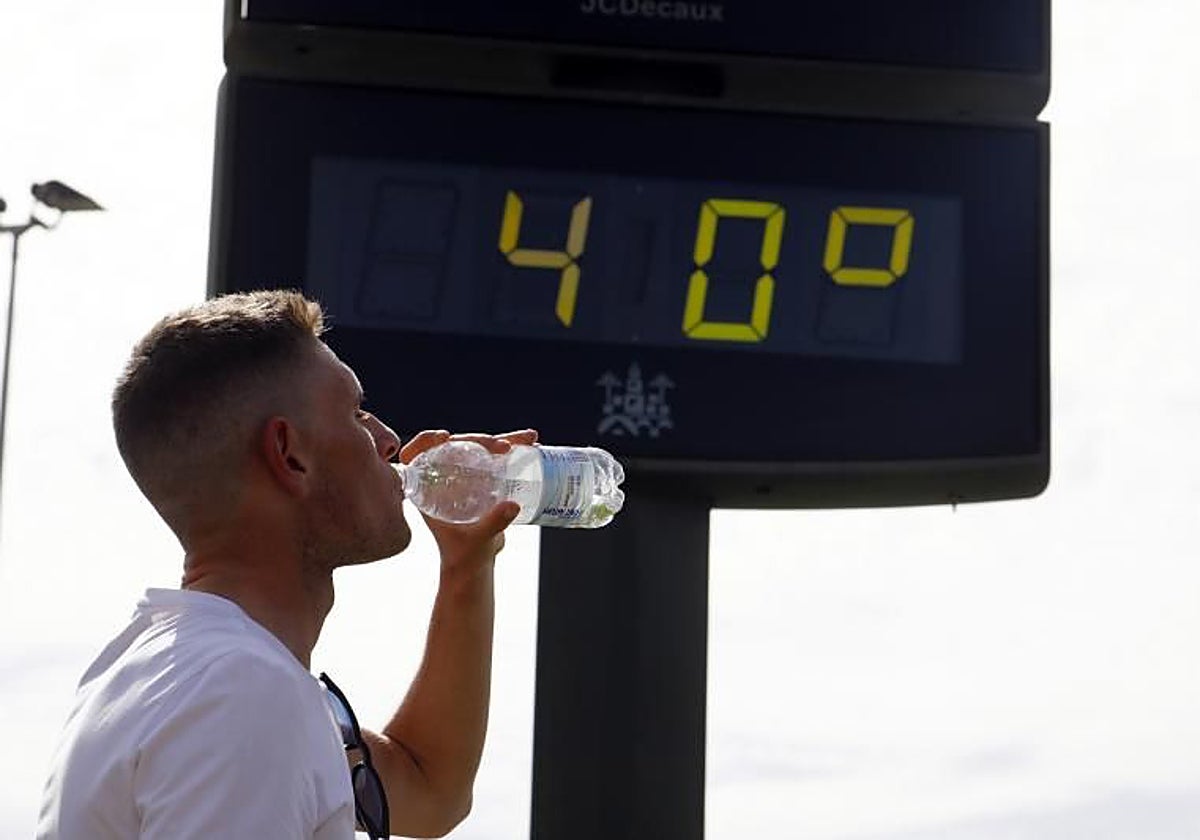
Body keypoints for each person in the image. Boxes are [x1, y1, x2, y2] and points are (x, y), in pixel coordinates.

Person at [36, 289, 536, 839]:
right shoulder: (243, 691)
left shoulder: (166, 670)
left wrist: (467, 567)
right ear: (290, 454)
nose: (389, 439)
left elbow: (430, 790)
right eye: (356, 412)